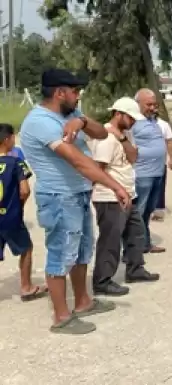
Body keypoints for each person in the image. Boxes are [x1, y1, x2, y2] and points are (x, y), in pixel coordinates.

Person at [21, 68, 132, 334]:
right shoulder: (41, 122)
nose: (78, 95)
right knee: (61, 253)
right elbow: (79, 161)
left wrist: (81, 122)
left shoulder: (69, 115)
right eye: (75, 91)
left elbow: (102, 133)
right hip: (59, 197)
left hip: (78, 194)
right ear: (60, 92)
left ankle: (83, 301)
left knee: (82, 251)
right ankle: (61, 317)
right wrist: (115, 186)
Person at [89, 97, 160, 296]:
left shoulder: (124, 134)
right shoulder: (104, 137)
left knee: (136, 233)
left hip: (128, 193)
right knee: (110, 240)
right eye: (131, 118)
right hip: (109, 196)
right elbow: (98, 169)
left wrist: (121, 137)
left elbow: (133, 157)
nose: (134, 122)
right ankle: (102, 281)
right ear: (118, 114)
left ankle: (135, 269)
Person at [0, 123, 48, 302]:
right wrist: (18, 206)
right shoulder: (15, 162)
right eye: (13, 137)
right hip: (10, 216)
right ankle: (26, 287)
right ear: (7, 140)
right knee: (26, 249)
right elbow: (25, 190)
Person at [131, 89, 168, 253]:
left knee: (148, 211)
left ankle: (145, 243)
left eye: (155, 104)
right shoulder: (132, 122)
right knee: (138, 212)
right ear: (137, 104)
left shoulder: (153, 121)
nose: (153, 107)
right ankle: (133, 248)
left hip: (157, 173)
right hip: (142, 174)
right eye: (149, 104)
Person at [151, 116, 172, 221]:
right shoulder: (136, 122)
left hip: (159, 162)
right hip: (141, 163)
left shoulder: (163, 125)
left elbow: (170, 142)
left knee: (159, 186)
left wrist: (171, 159)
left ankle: (158, 211)